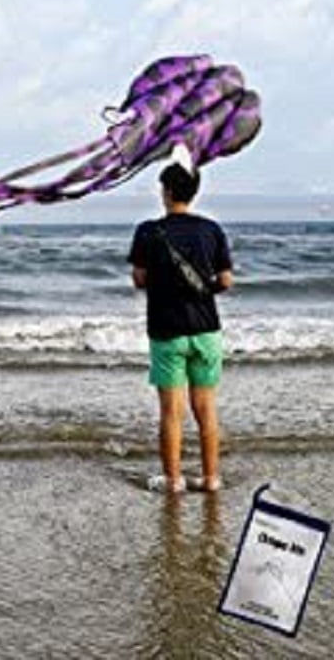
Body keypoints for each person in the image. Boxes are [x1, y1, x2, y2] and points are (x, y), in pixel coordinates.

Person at [127, 146, 234, 494]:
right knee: (205, 407)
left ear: (168, 192)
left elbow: (139, 278)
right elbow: (227, 281)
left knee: (171, 411)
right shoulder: (212, 230)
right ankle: (211, 477)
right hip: (206, 329)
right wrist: (203, 290)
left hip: (166, 329)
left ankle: (173, 481)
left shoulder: (147, 231)